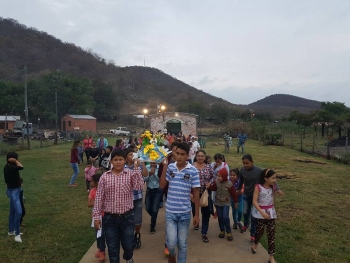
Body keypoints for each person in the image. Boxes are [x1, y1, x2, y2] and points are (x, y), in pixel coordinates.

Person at [93, 149, 145, 263]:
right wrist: (96, 217)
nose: (118, 162)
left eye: (120, 159)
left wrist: (137, 168)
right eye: (115, 160)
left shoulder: (130, 174)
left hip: (127, 217)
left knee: (128, 244)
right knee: (112, 248)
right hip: (109, 218)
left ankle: (128, 257)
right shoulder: (104, 177)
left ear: (125, 160)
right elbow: (99, 198)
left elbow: (139, 187)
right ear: (111, 161)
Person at [160, 142, 200, 263]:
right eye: (177, 153)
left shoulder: (193, 170)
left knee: (182, 244)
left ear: (187, 155)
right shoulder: (170, 167)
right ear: (174, 153)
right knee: (171, 243)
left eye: (183, 154)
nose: (179, 156)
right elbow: (162, 185)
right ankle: (172, 256)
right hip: (170, 212)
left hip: (185, 213)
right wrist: (165, 167)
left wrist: (196, 214)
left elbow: (197, 192)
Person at [237, 154, 283, 243]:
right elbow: (241, 180)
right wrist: (239, 189)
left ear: (252, 162)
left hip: (257, 196)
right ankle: (246, 224)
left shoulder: (259, 171)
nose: (245, 165)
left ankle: (253, 234)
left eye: (247, 163)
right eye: (244, 163)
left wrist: (278, 188)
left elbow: (271, 178)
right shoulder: (242, 170)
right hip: (246, 194)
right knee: (246, 212)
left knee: (254, 216)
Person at [251, 169, 280, 263]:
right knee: (259, 232)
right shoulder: (258, 187)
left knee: (271, 235)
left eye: (275, 178)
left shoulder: (273, 187)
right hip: (260, 214)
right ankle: (255, 243)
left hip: (271, 213)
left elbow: (272, 199)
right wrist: (262, 212)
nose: (275, 180)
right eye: (273, 178)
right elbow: (254, 201)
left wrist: (271, 209)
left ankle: (271, 257)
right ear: (265, 179)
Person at [157, 141, 179, 256]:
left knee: (179, 223)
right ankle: (168, 244)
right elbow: (161, 180)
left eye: (178, 152)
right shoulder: (165, 162)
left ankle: (176, 242)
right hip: (169, 195)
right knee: (170, 222)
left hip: (181, 198)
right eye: (174, 151)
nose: (176, 154)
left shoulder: (185, 163)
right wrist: (164, 166)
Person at [124, 147, 149, 249]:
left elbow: (146, 175)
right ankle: (129, 237)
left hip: (137, 196)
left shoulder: (138, 165)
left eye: (133, 154)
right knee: (127, 219)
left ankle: (137, 234)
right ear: (126, 157)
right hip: (127, 197)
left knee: (138, 218)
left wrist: (141, 162)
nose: (133, 156)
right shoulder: (123, 167)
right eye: (130, 154)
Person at [207, 167, 238, 241]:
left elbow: (233, 194)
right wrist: (209, 187)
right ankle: (222, 230)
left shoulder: (229, 184)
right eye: (217, 176)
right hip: (218, 203)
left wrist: (236, 203)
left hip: (226, 203)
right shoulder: (216, 182)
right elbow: (214, 188)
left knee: (225, 217)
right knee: (220, 217)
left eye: (219, 176)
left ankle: (229, 232)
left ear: (224, 176)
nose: (218, 177)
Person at [192, 150, 215, 243]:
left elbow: (214, 177)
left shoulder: (209, 167)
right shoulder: (192, 167)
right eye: (199, 156)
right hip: (194, 193)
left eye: (202, 156)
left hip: (205, 193)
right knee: (194, 210)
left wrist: (210, 183)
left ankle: (204, 232)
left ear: (205, 157)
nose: (200, 158)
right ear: (196, 157)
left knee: (206, 213)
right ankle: (196, 221)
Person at [4, 152, 24, 242]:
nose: (17, 160)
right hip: (13, 192)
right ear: (10, 159)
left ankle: (11, 231)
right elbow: (21, 167)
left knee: (12, 211)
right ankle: (17, 235)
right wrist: (15, 161)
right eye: (16, 158)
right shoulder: (8, 167)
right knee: (18, 212)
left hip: (17, 190)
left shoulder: (11, 167)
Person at [88, 173, 106, 262]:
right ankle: (100, 249)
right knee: (98, 234)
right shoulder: (93, 191)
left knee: (102, 234)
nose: (90, 183)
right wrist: (99, 203)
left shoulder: (105, 190)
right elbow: (89, 204)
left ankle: (102, 251)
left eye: (92, 181)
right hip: (96, 215)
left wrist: (96, 202)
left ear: (98, 182)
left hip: (106, 215)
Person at [144, 162, 162, 234]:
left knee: (155, 209)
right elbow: (145, 179)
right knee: (147, 207)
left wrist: (154, 173)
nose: (153, 164)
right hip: (149, 189)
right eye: (152, 163)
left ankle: (152, 226)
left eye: (154, 163)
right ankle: (154, 217)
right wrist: (150, 173)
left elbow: (160, 179)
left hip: (157, 190)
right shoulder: (147, 167)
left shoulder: (160, 168)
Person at [211, 154, 230, 218]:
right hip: (215, 184)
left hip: (223, 184)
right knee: (214, 198)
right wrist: (214, 168)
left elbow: (227, 175)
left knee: (222, 197)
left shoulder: (225, 165)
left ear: (222, 159)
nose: (217, 163)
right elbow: (211, 173)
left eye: (219, 161)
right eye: (216, 161)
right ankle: (217, 208)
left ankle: (220, 210)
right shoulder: (213, 164)